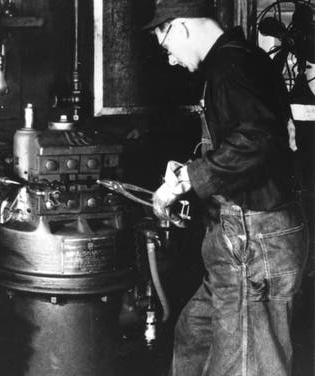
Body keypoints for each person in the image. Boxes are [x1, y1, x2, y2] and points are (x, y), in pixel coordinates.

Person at [145, 0, 309, 375]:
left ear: (181, 27)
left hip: (255, 242)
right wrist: (190, 168)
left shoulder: (232, 67)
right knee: (195, 338)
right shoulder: (238, 62)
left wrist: (185, 181)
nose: (170, 60)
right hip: (239, 243)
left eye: (167, 48)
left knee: (247, 367)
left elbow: (256, 141)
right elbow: (244, 135)